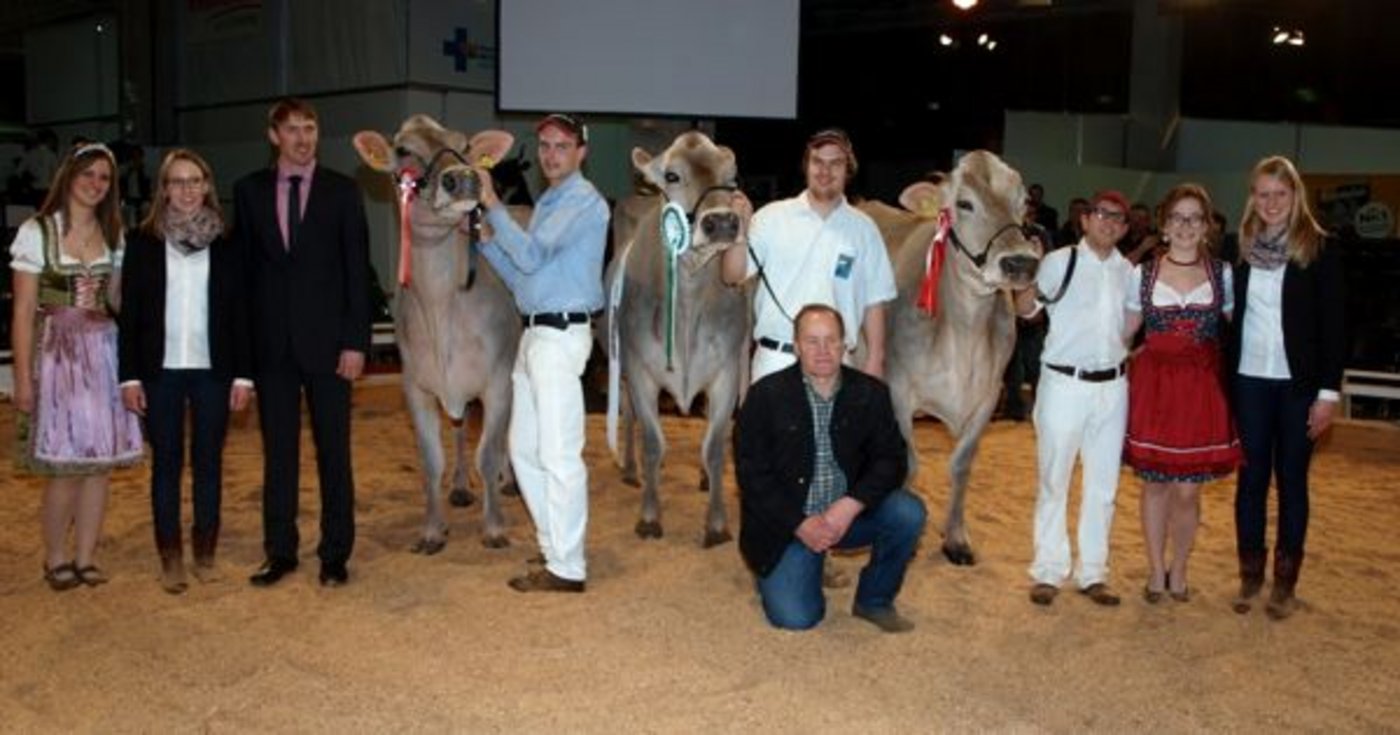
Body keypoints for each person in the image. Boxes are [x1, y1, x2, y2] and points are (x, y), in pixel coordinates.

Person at [232, 98, 371, 588]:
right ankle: (281, 552)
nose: (303, 138)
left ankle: (335, 554)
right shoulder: (248, 192)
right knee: (279, 456)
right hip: (272, 350)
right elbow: (243, 278)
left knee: (335, 454)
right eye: (292, 129)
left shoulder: (342, 191)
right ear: (274, 135)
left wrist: (356, 342)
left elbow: (359, 273)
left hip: (331, 348)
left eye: (310, 128)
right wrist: (243, 359)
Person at [475, 112, 608, 593]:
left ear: (581, 153)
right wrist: (487, 245)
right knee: (524, 448)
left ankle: (569, 567)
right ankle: (555, 547)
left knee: (558, 452)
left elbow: (529, 256)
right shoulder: (551, 200)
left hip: (559, 337)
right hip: (535, 333)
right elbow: (524, 282)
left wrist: (492, 204)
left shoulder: (583, 201)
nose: (551, 154)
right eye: (546, 145)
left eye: (562, 146)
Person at [734, 304, 925, 632]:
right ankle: (786, 569)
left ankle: (874, 600)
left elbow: (892, 460)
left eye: (830, 340)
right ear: (796, 346)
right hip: (789, 526)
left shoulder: (871, 393)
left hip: (846, 517)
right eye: (811, 341)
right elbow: (752, 476)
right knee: (797, 618)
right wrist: (800, 523)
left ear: (844, 344)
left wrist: (849, 506)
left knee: (908, 513)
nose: (822, 350)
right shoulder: (765, 396)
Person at [9, 142, 143, 591]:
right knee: (65, 465)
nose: (95, 184)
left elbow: (119, 300)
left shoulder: (114, 234)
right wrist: (23, 379)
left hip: (103, 352)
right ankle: (55, 557)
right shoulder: (37, 231)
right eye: (88, 174)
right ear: (68, 176)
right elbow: (24, 310)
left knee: (98, 464)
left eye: (104, 178)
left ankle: (86, 556)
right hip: (56, 354)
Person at [118, 149, 253, 594]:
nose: (187, 190)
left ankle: (206, 551)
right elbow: (132, 316)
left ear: (207, 186)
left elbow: (240, 316)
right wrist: (130, 376)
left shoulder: (229, 242)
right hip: (160, 373)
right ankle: (170, 555)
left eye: (195, 181)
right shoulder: (141, 242)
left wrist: (243, 376)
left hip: (214, 371)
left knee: (209, 463)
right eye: (177, 182)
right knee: (167, 465)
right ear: (164, 190)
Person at [1226, 156, 1345, 620]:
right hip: (1249, 381)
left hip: (1299, 387)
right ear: (1252, 197)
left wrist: (1328, 395)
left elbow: (1335, 328)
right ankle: (1250, 575)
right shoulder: (1238, 248)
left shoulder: (1320, 248)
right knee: (1251, 481)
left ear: (1295, 196)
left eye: (1280, 193)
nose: (1271, 202)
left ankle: (1285, 583)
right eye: (1263, 193)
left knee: (1292, 482)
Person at [1013, 190, 1134, 607]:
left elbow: (1132, 328)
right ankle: (1048, 570)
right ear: (1085, 220)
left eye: (1118, 218)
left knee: (1104, 484)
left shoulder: (1128, 272)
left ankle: (1093, 573)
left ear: (1125, 227)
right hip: (1064, 383)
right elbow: (1026, 311)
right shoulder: (1058, 262)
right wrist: (1026, 275)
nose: (1109, 223)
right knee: (1054, 478)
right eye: (1102, 214)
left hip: (1113, 387)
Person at [1122, 184, 1241, 604]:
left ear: (1207, 226)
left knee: (1188, 490)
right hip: (1155, 388)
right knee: (1155, 484)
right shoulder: (1143, 274)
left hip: (1201, 390)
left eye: (1195, 218)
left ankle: (1180, 568)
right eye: (1178, 217)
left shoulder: (1222, 274)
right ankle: (1156, 570)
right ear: (1165, 225)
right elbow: (1125, 332)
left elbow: (1243, 331)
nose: (1186, 225)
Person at [722, 128, 897, 382]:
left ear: (848, 169)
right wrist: (738, 231)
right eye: (818, 162)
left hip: (837, 362)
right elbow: (731, 275)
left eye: (835, 163)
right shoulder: (770, 218)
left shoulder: (864, 229)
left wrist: (875, 361)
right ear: (806, 166)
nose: (825, 171)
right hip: (776, 361)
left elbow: (874, 300)